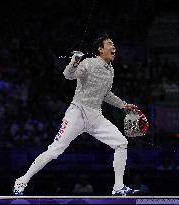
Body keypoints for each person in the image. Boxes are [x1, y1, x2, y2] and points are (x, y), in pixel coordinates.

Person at [13, 34, 139, 196]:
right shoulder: (88, 63)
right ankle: (22, 180)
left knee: (121, 143)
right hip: (77, 112)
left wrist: (123, 105)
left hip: (96, 116)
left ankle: (118, 187)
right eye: (110, 44)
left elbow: (106, 94)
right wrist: (75, 61)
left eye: (114, 44)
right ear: (100, 49)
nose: (113, 47)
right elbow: (68, 75)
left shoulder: (111, 71)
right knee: (54, 151)